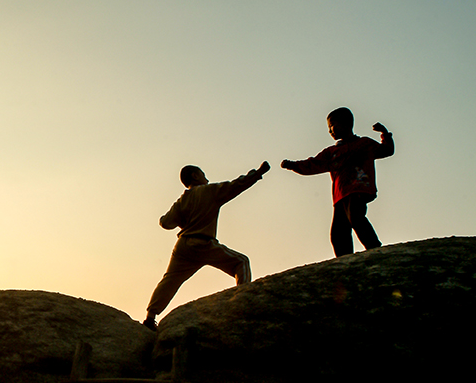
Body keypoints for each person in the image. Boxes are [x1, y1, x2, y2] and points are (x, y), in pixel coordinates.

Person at [143, 161, 269, 330]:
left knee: (170, 280)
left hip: (183, 247)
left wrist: (183, 221)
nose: (207, 178)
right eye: (203, 174)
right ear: (195, 176)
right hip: (203, 243)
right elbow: (236, 186)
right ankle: (243, 300)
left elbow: (165, 223)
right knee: (241, 262)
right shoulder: (210, 191)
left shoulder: (182, 200)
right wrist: (257, 173)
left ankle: (150, 317)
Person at [281, 107, 394, 256]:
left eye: (332, 125)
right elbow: (313, 164)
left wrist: (385, 134)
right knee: (338, 231)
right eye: (328, 127)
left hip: (359, 189)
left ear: (346, 124)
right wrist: (293, 165)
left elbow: (387, 150)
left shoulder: (364, 144)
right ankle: (344, 258)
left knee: (355, 216)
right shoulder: (331, 153)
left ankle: (374, 247)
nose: (330, 130)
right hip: (340, 196)